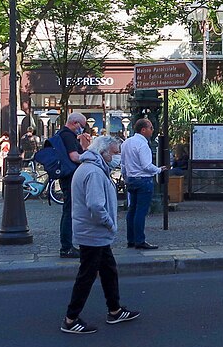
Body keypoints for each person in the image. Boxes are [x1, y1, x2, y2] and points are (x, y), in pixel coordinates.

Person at [61, 135, 139, 334]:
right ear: (103, 152)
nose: (117, 157)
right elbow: (95, 205)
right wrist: (109, 223)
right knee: (87, 275)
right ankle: (71, 319)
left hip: (94, 232)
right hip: (93, 231)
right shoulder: (94, 172)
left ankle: (114, 310)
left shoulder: (91, 168)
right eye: (114, 153)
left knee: (108, 270)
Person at [121, 118, 165, 251]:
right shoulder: (143, 145)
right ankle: (140, 240)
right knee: (141, 211)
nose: (152, 130)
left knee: (132, 210)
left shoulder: (127, 143)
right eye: (151, 127)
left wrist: (125, 176)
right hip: (143, 180)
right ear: (143, 129)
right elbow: (146, 166)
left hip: (132, 179)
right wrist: (159, 169)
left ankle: (131, 239)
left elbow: (123, 163)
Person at [57, 113, 88, 258]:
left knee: (69, 211)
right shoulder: (68, 135)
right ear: (75, 123)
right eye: (81, 126)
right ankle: (67, 247)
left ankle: (67, 245)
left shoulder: (63, 134)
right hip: (70, 178)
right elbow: (74, 156)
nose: (81, 129)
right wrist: (89, 158)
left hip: (67, 177)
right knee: (69, 212)